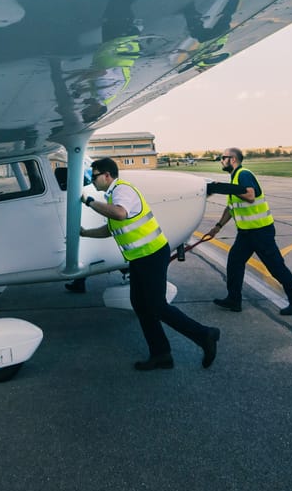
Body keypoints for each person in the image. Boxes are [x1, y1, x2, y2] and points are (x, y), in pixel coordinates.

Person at [80, 157, 220, 370]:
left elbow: (120, 214)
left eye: (94, 175)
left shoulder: (122, 191)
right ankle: (161, 354)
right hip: (139, 258)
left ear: (107, 175)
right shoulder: (112, 195)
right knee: (140, 304)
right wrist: (85, 233)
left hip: (151, 255)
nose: (92, 180)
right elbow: (113, 227)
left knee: (157, 306)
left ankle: (204, 334)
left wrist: (89, 201)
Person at [203, 148, 292, 316]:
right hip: (246, 233)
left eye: (223, 158)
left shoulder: (244, 174)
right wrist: (217, 227)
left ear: (232, 159)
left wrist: (220, 188)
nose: (221, 161)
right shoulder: (235, 177)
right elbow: (232, 207)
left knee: (276, 268)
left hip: (260, 232)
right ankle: (234, 300)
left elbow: (250, 195)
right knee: (234, 263)